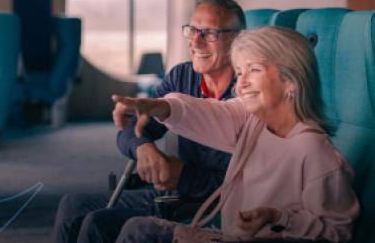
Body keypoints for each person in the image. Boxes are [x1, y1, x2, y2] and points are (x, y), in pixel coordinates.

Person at [112, 26, 360, 243]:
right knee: (126, 228)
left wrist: (278, 218)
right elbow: (207, 112)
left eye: (254, 70)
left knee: (140, 232)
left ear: (291, 80)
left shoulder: (315, 152)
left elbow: (337, 232)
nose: (241, 84)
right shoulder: (252, 120)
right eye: (240, 72)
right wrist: (158, 106)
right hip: (228, 235)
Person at [52, 0, 246, 243]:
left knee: (99, 224)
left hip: (213, 203)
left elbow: (245, 182)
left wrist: (184, 177)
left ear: (237, 39)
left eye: (209, 33)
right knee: (74, 206)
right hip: (176, 190)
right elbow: (129, 129)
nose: (196, 41)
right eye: (193, 30)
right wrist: (142, 147)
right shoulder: (181, 76)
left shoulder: (247, 91)